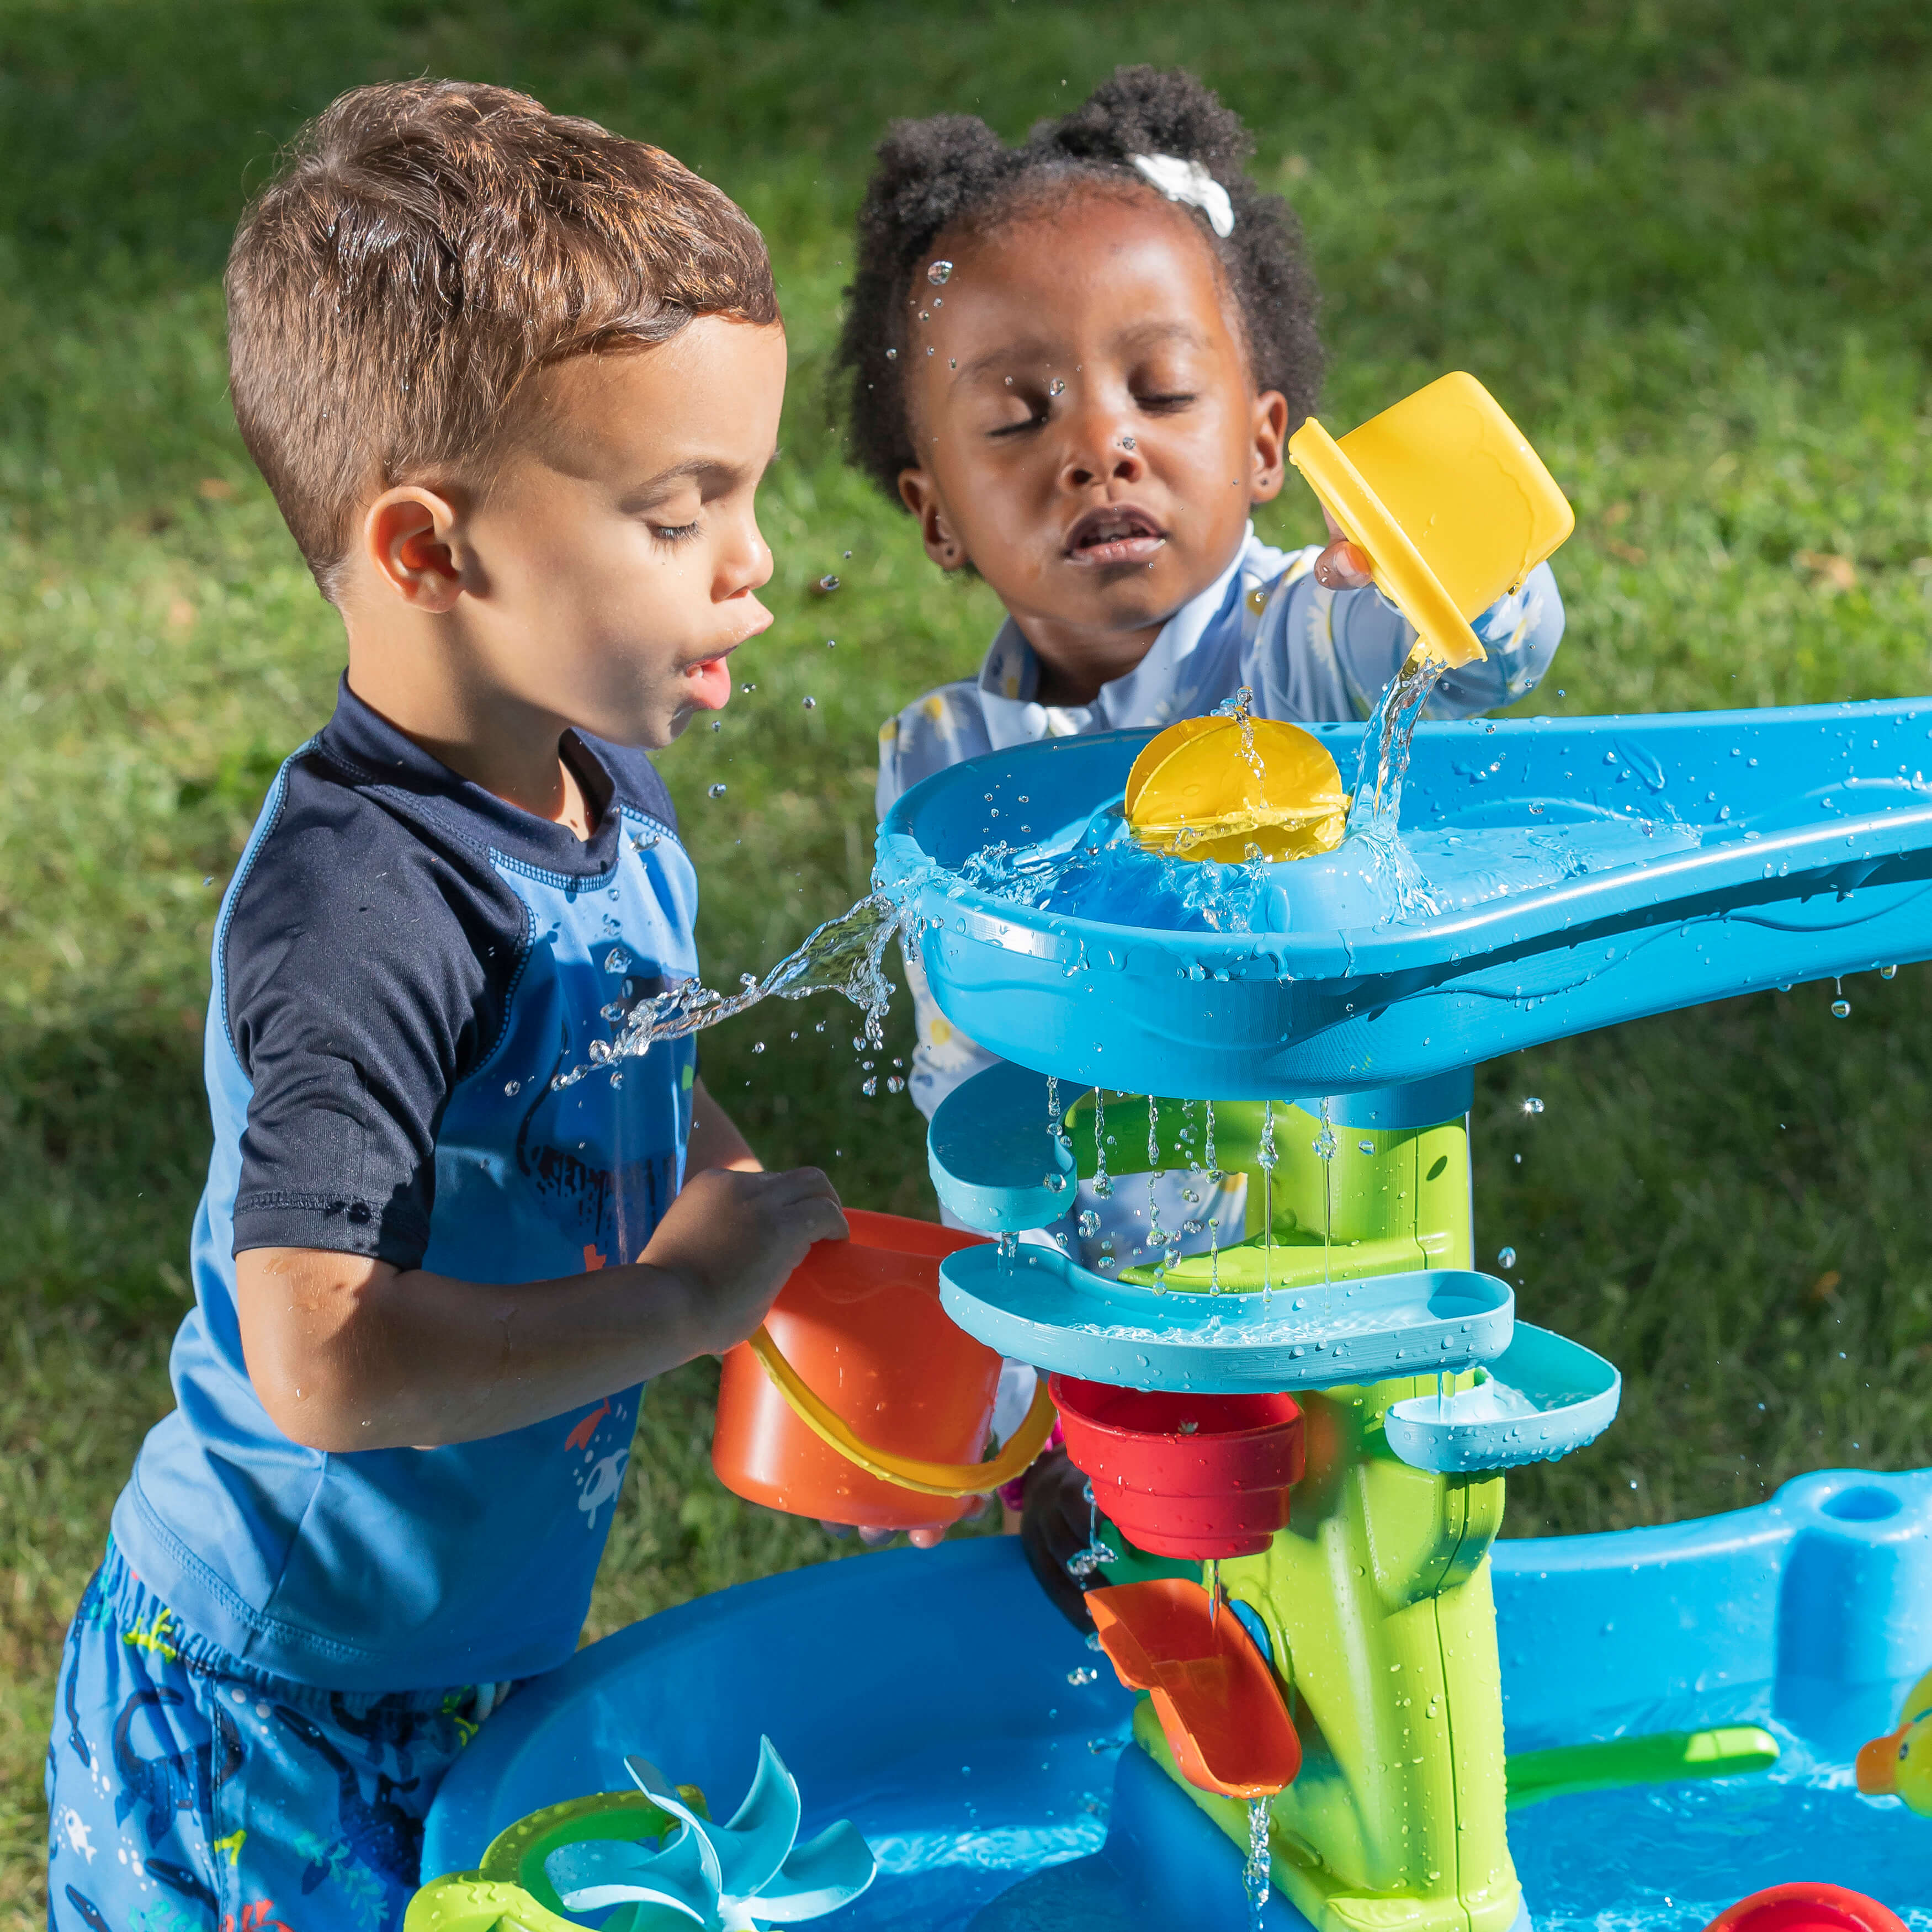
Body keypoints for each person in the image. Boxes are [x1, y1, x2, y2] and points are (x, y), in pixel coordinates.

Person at [45, 81, 846, 1932]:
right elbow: (319, 1361)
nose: (753, 565)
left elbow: (615, 1044)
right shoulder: (365, 910)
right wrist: (672, 1303)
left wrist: (723, 1203)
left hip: (452, 1646)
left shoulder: (586, 778)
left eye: (750, 492)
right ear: (428, 551)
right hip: (272, 1700)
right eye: (679, 510)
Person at [835, 66, 1565, 1616]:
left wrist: (1445, 581)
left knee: (1357, 1605)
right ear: (936, 512)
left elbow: (1473, 650)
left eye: (1158, 394)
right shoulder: (943, 760)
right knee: (1146, 1628)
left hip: (1341, 1257)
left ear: (1261, 442)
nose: (1098, 450)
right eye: (1017, 418)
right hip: (1118, 1312)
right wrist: (998, 1364)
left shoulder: (1288, 649)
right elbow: (961, 1071)